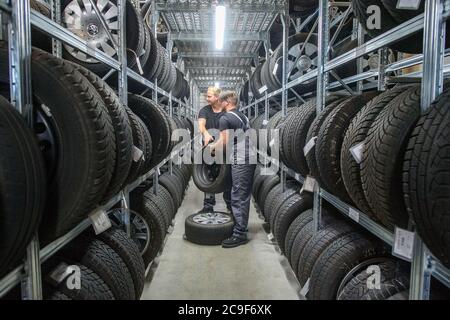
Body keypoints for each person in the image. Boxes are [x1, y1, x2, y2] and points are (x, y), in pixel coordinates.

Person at [209, 90, 256, 248]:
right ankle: (238, 224)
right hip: (248, 156)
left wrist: (211, 149)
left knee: (239, 194)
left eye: (221, 102)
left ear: (226, 102)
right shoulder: (243, 116)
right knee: (235, 193)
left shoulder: (225, 118)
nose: (219, 104)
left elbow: (224, 143)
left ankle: (240, 234)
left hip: (242, 158)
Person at [196, 87, 227, 214]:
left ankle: (230, 205)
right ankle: (208, 205)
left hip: (224, 148)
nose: (206, 98)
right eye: (206, 96)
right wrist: (206, 134)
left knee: (226, 175)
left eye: (209, 96)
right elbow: (201, 125)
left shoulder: (225, 110)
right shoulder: (205, 110)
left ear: (217, 97)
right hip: (209, 148)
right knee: (208, 175)